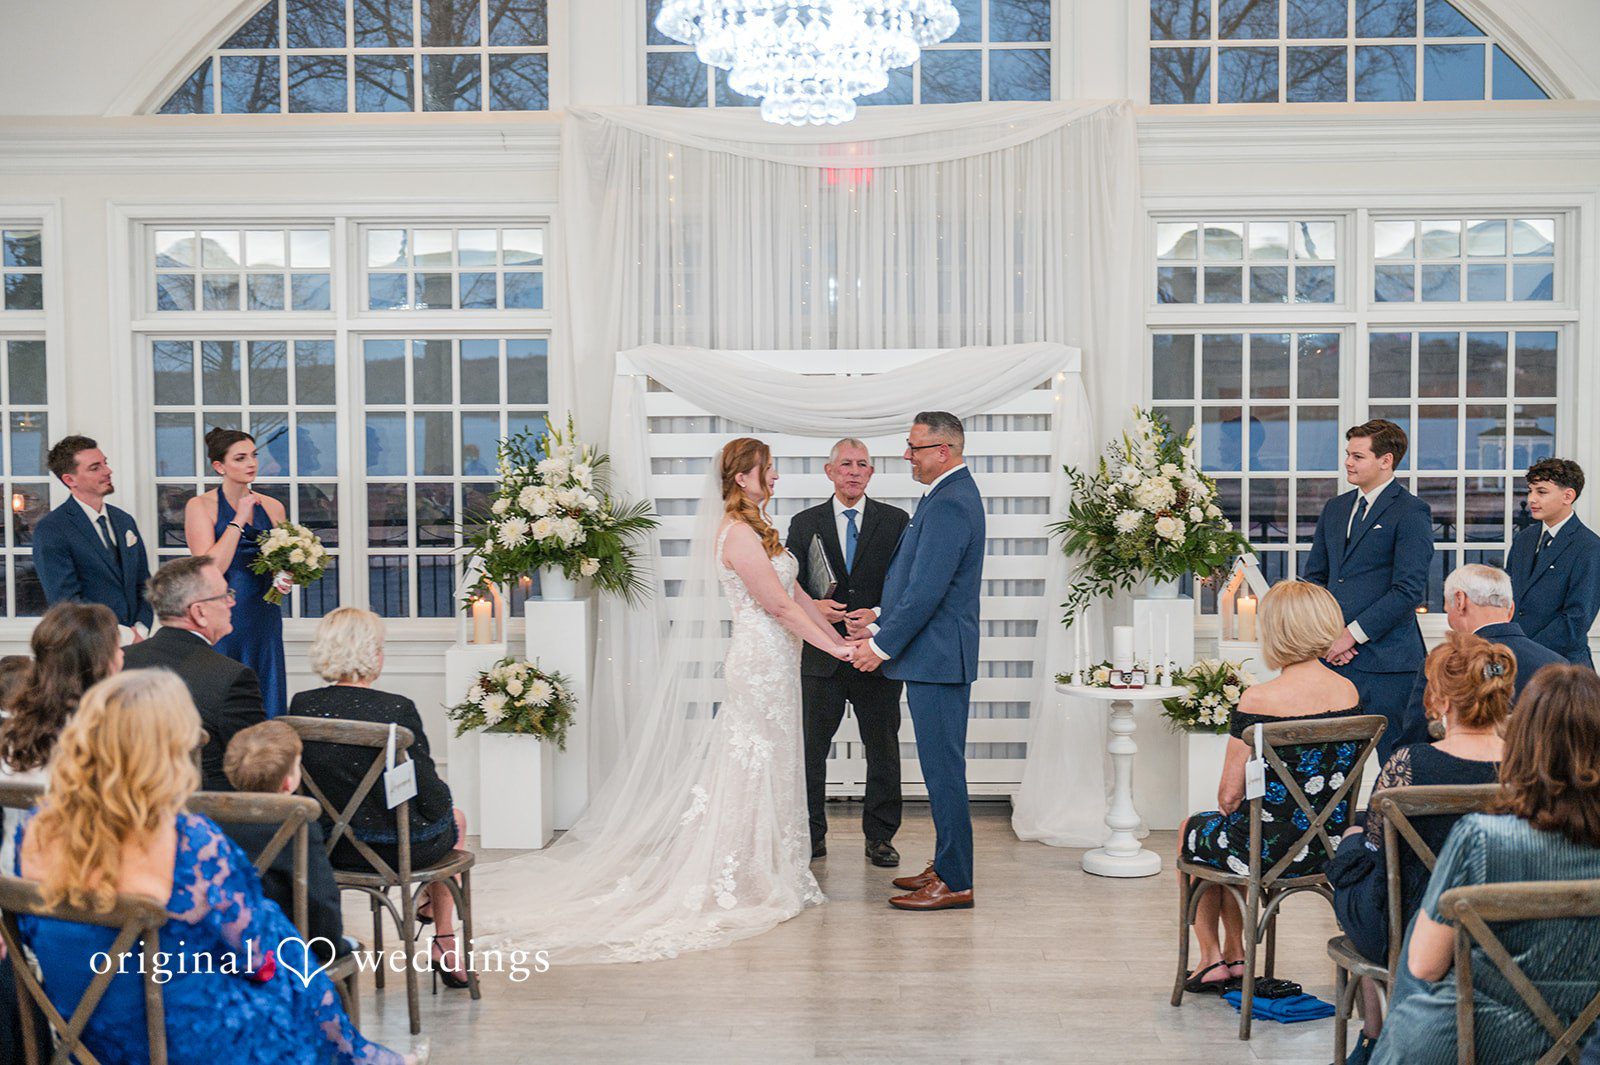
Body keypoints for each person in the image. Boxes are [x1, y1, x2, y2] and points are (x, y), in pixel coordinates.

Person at [467, 437, 850, 964]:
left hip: (779, 663)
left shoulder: (761, 529)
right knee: (750, 763)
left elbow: (798, 595)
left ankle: (770, 865)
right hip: (759, 662)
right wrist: (838, 650)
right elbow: (779, 608)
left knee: (774, 762)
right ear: (743, 477)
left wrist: (832, 619)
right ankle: (741, 872)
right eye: (769, 469)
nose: (776, 476)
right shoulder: (737, 533)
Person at [11, 670, 418, 1065]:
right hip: (188, 1044)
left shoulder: (35, 831)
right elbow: (257, 957)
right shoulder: (187, 839)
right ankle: (360, 1055)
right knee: (288, 967)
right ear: (169, 751)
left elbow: (32, 937)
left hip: (85, 1039)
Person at [1372, 665, 1600, 1065]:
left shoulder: (1481, 837)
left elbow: (1424, 967)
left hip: (1476, 1037)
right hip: (1587, 1041)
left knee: (1418, 941)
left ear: (1521, 742)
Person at [1327, 630, 1509, 1064]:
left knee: (1355, 857)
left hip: (1410, 927)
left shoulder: (1407, 764)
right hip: (1500, 923)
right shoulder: (1527, 761)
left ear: (1444, 702)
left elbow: (1375, 856)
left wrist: (1350, 844)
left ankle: (1375, 1036)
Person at [1177, 581, 1365, 994]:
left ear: (1275, 630)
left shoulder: (1259, 699)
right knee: (1229, 835)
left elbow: (1228, 795)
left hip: (1267, 849)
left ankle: (1212, 958)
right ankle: (1236, 956)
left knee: (1196, 829)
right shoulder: (1348, 690)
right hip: (1326, 847)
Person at [849, 412, 985, 911]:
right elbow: (923, 580)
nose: (907, 456)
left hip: (939, 658)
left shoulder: (950, 502)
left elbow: (929, 593)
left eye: (914, 447)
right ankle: (947, 864)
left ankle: (956, 880)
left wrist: (879, 647)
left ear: (943, 451)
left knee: (943, 769)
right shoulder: (946, 496)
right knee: (938, 767)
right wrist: (881, 615)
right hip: (934, 656)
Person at [288, 608, 467, 986]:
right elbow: (430, 798)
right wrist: (446, 799)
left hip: (327, 851)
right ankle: (443, 940)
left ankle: (430, 909)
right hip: (392, 852)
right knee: (458, 818)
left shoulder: (301, 705)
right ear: (372, 654)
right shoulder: (395, 709)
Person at [785, 437, 910, 867]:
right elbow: (790, 583)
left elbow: (906, 583)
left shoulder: (896, 521)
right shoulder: (805, 523)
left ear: (871, 473)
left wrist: (875, 617)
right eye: (845, 464)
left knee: (883, 750)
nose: (853, 471)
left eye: (862, 465)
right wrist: (816, 608)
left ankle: (880, 838)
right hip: (821, 659)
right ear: (829, 471)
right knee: (811, 751)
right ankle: (811, 835)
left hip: (874, 654)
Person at [1303, 418, 1433, 761]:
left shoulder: (1412, 512)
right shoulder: (1335, 508)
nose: (1348, 462)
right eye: (1348, 454)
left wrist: (1351, 635)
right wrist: (1330, 635)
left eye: (1357, 456)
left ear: (1385, 460)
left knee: (1397, 763)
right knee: (1328, 763)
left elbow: (1408, 590)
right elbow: (1315, 577)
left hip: (1389, 665)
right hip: (1332, 660)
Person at [122, 556, 267, 791]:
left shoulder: (118, 661)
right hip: (206, 811)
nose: (231, 602)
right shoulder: (233, 677)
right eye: (224, 595)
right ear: (199, 612)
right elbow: (255, 767)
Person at [1391, 564, 1564, 749]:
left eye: (1446, 607)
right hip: (1535, 775)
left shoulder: (1445, 664)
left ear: (1460, 601)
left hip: (1459, 774)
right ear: (1511, 609)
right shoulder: (1557, 664)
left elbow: (1413, 745)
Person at [221, 720, 348, 966]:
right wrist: (331, 946)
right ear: (288, 782)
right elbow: (321, 900)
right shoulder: (299, 826)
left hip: (226, 943)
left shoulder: (214, 821)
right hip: (285, 945)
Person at [185, 427, 288, 716]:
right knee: (226, 695)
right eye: (240, 458)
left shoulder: (273, 506)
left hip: (264, 614)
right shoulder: (200, 506)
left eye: (253, 456)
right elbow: (210, 569)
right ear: (219, 466)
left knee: (265, 690)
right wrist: (239, 519)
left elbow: (281, 559)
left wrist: (285, 574)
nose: (251, 464)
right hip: (223, 614)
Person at [30, 435, 153, 642]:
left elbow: (144, 583)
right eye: (95, 468)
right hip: (90, 650)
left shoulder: (124, 521)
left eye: (105, 463)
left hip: (137, 644)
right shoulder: (51, 529)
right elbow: (66, 602)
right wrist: (122, 635)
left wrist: (140, 630)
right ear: (70, 480)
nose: (108, 471)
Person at [1506, 458, 1600, 667]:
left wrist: (1526, 651)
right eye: (1530, 491)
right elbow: (1508, 598)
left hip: (1563, 670)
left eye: (1541, 492)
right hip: (1517, 664)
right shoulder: (1524, 539)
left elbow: (1577, 619)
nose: (1531, 499)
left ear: (1568, 496)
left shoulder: (1590, 546)